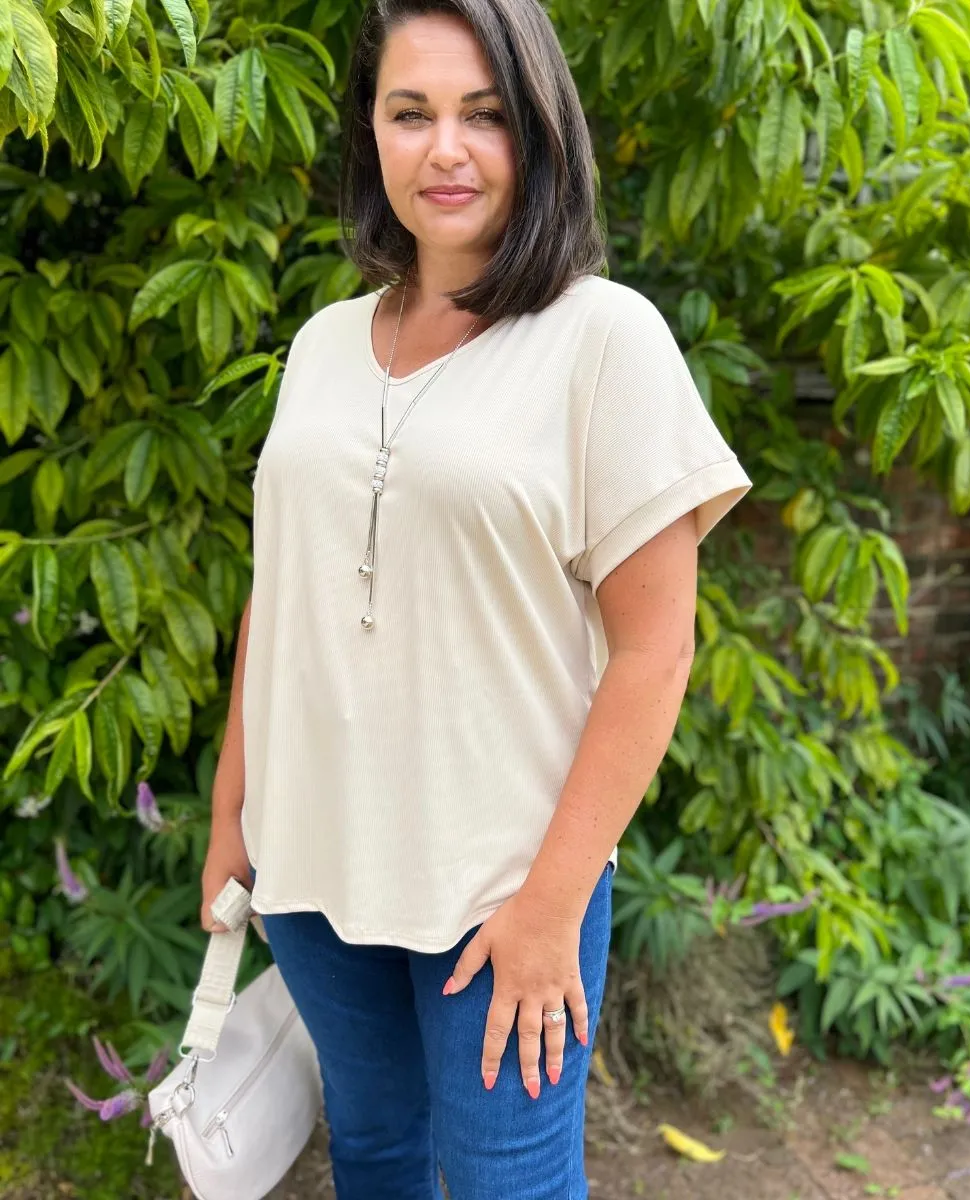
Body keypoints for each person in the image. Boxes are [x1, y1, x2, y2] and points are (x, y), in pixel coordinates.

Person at [200, 0, 752, 1195]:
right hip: (310, 865)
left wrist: (551, 906)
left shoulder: (604, 339)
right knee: (378, 1154)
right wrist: (230, 814)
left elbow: (654, 652)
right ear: (371, 135)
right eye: (411, 113)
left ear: (538, 132)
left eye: (483, 115)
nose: (443, 148)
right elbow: (278, 593)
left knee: (509, 1182)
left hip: (500, 884)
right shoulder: (321, 347)